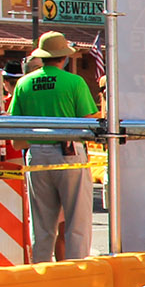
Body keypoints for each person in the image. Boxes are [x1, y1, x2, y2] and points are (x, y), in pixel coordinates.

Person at [9, 32, 100, 262]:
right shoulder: (74, 82)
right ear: (63, 57)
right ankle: (77, 272)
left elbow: (14, 128)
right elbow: (89, 120)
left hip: (36, 154)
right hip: (68, 153)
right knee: (76, 222)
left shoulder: (24, 83)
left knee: (41, 224)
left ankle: (41, 274)